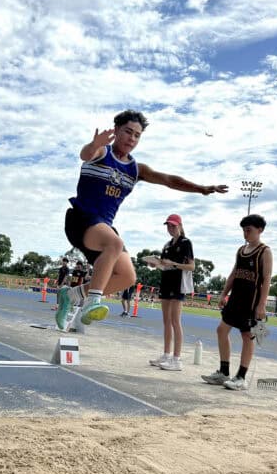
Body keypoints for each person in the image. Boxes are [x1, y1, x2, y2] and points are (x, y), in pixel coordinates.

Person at [55, 109, 228, 330]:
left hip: (104, 227)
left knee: (127, 276)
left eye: (137, 135)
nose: (132, 138)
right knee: (114, 243)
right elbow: (86, 154)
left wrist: (201, 189)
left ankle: (71, 295)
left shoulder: (136, 169)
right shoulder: (101, 152)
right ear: (116, 130)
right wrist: (93, 143)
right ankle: (92, 301)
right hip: (81, 219)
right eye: (128, 132)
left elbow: (169, 180)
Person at [202, 214, 273, 391]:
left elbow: (266, 279)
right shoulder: (241, 250)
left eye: (248, 230)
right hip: (236, 298)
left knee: (247, 336)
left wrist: (262, 304)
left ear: (260, 230)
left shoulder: (265, 251)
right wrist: (223, 293)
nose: (245, 233)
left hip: (251, 301)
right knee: (221, 330)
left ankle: (241, 377)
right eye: (243, 230)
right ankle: (224, 372)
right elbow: (234, 274)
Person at [145, 214, 195, 371]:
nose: (170, 228)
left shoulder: (186, 243)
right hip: (166, 282)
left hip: (178, 284)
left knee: (175, 321)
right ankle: (166, 355)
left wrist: (173, 263)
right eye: (168, 226)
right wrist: (156, 264)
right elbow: (163, 264)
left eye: (173, 226)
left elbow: (192, 266)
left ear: (180, 226)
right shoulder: (166, 245)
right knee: (166, 320)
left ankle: (177, 359)